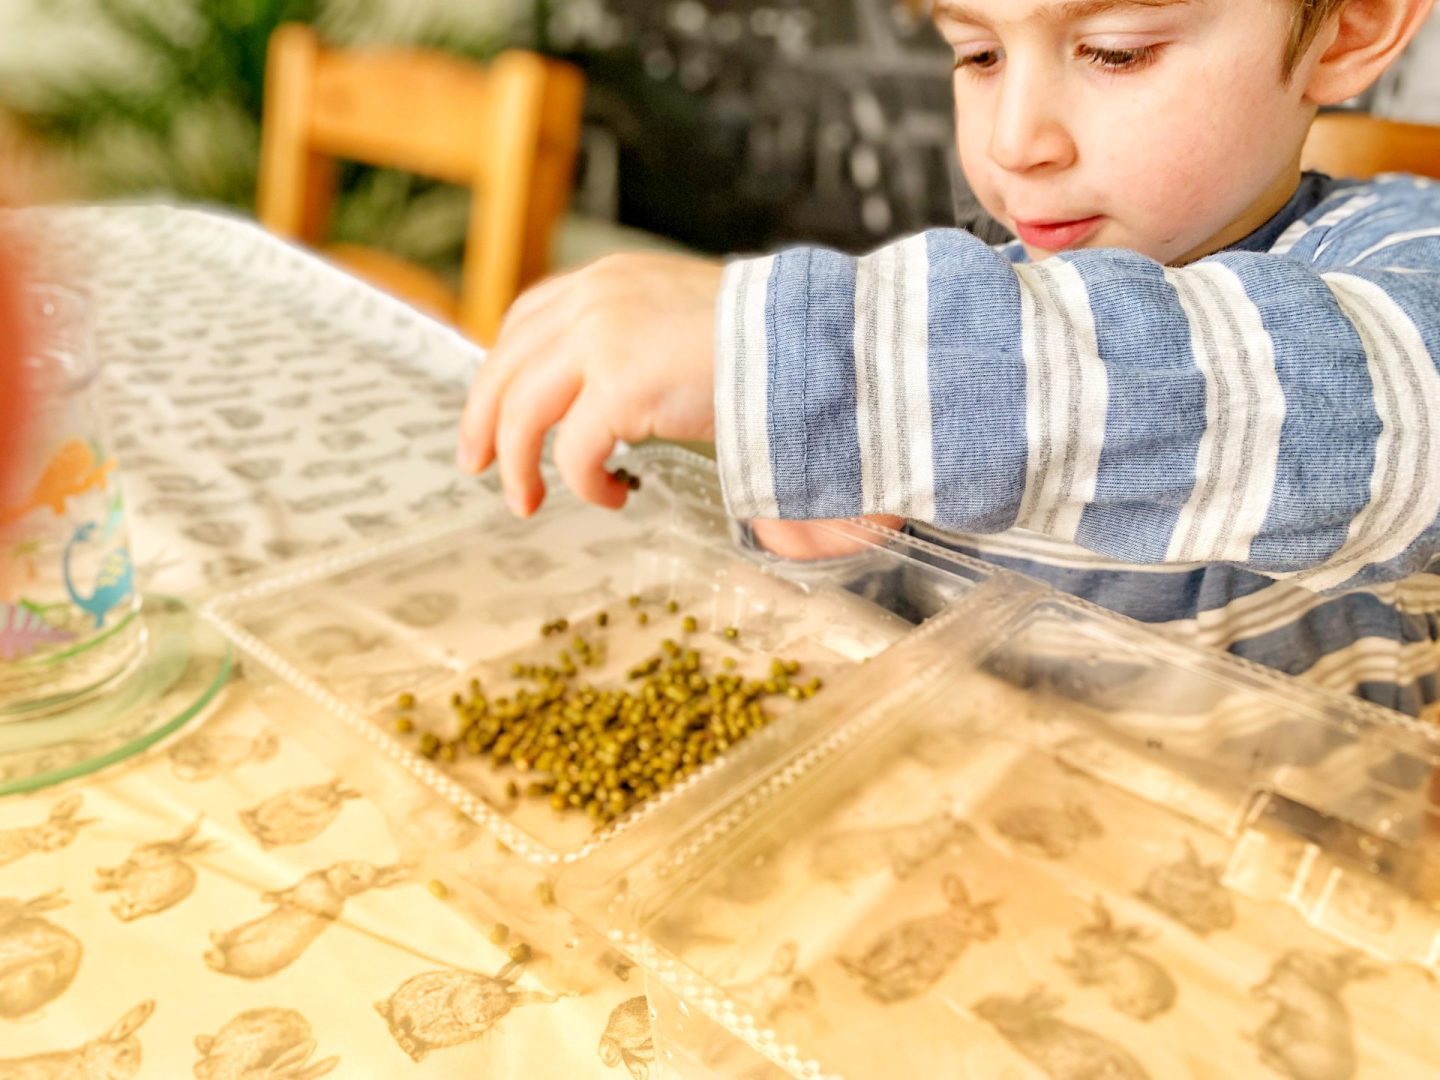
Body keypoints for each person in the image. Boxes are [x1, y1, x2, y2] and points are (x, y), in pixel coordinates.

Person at [458, 0, 1440, 719]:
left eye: (1113, 52)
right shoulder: (964, 314)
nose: (1016, 142)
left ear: (1351, 25)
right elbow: (922, 651)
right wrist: (839, 557)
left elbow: (1365, 416)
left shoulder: (1401, 264)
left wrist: (801, 359)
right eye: (976, 54)